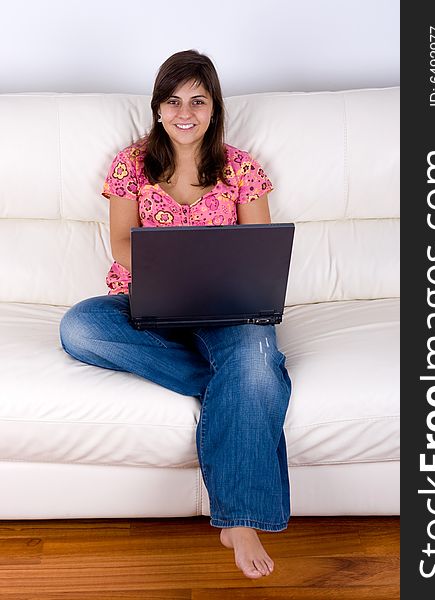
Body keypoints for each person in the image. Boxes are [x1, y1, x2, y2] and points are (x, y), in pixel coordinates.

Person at [59, 49, 292, 580]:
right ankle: (245, 383)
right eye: (173, 100)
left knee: (252, 350)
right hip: (150, 305)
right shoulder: (130, 163)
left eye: (197, 100)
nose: (185, 112)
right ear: (158, 107)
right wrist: (169, 270)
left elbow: (261, 251)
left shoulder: (241, 166)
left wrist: (218, 280)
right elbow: (121, 244)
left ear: (214, 108)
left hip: (229, 310)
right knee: (79, 326)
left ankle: (239, 518)